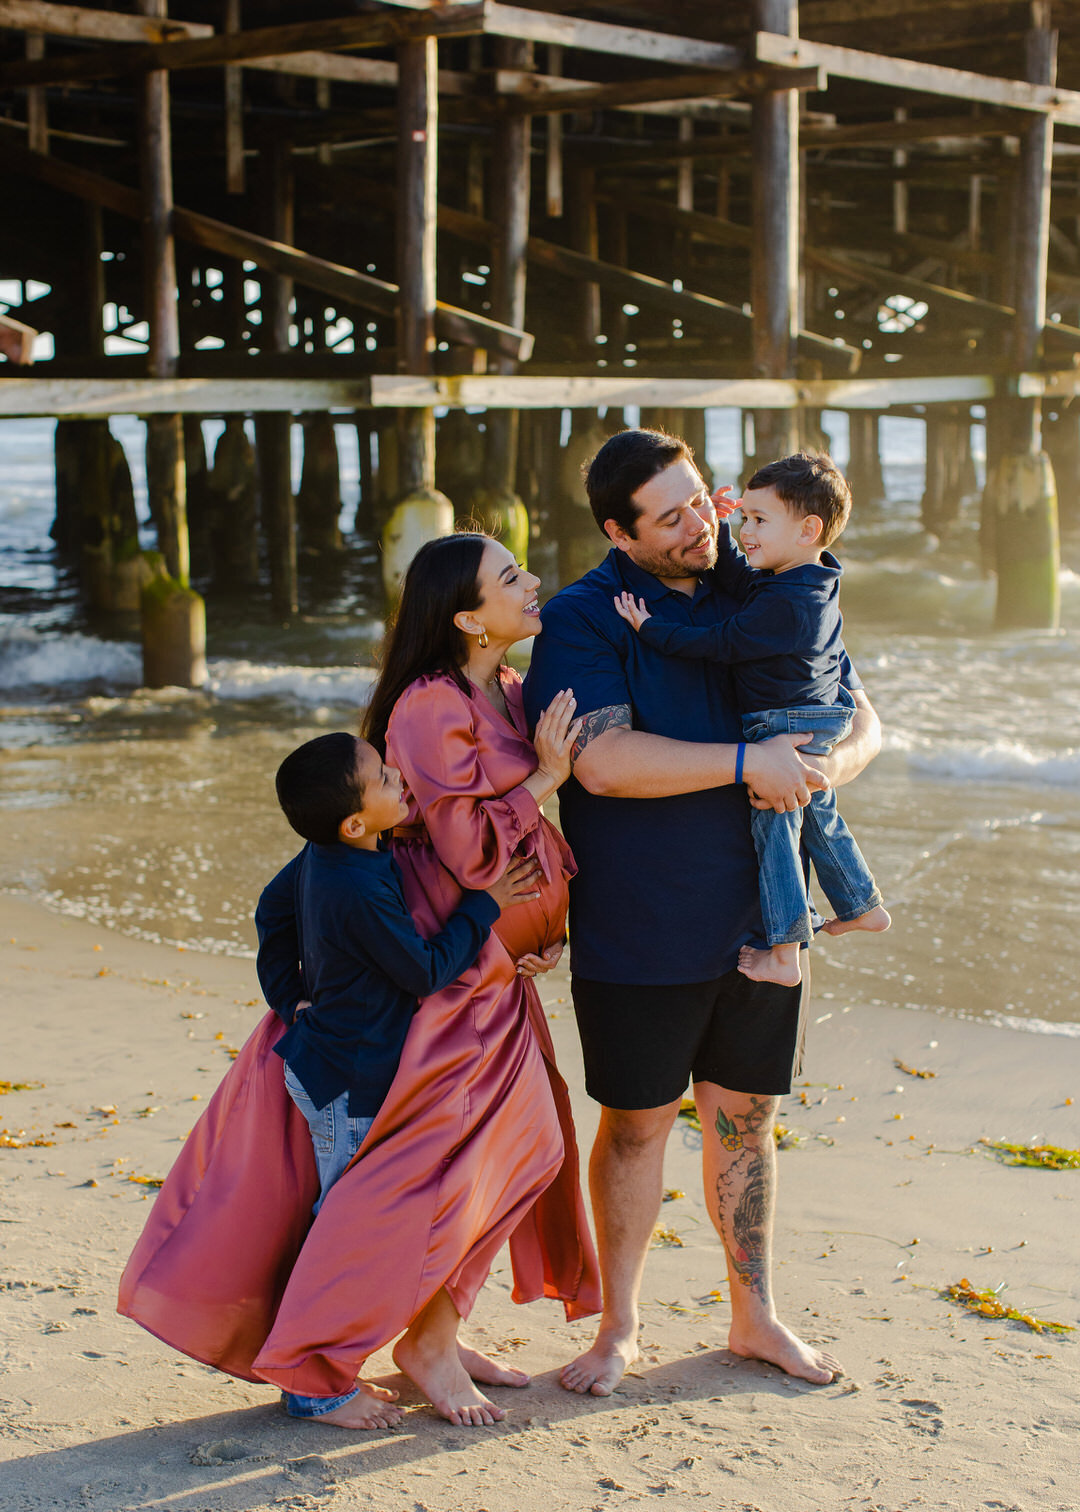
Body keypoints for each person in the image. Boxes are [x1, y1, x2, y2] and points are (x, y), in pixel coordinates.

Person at [119, 533, 600, 1431]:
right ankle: (344, 1353)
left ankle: (436, 1333)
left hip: (493, 969)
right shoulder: (425, 708)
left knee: (509, 1157)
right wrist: (546, 776)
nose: (532, 581)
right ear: (467, 617)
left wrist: (539, 929)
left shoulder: (499, 688)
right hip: (446, 984)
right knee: (435, 1173)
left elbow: (493, 849)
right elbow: (467, 852)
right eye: (510, 577)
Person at [524, 428, 882, 1397]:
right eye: (672, 514)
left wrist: (819, 769)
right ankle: (619, 1329)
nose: (703, 524)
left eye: (703, 500)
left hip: (763, 916)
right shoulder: (586, 617)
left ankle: (754, 1314)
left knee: (746, 1123)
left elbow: (862, 718)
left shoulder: (767, 574)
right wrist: (745, 764)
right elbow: (601, 761)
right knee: (637, 1126)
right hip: (640, 921)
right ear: (618, 530)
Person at [613, 451, 890, 989]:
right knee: (817, 814)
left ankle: (785, 950)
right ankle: (860, 903)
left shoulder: (786, 606)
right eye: (743, 517)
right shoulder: (802, 582)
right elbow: (743, 582)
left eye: (759, 521)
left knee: (776, 829)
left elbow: (722, 641)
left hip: (785, 722)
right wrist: (716, 526)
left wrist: (653, 630)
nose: (744, 531)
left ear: (809, 529)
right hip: (814, 714)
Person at [258, 730, 541, 1216]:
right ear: (354, 824)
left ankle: (330, 1288)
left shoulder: (326, 853)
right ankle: (324, 1291)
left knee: (355, 1206)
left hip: (332, 1062)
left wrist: (289, 997)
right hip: (348, 1086)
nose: (398, 775)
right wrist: (485, 904)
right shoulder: (357, 890)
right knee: (348, 1213)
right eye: (383, 779)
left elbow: (270, 910)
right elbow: (425, 971)